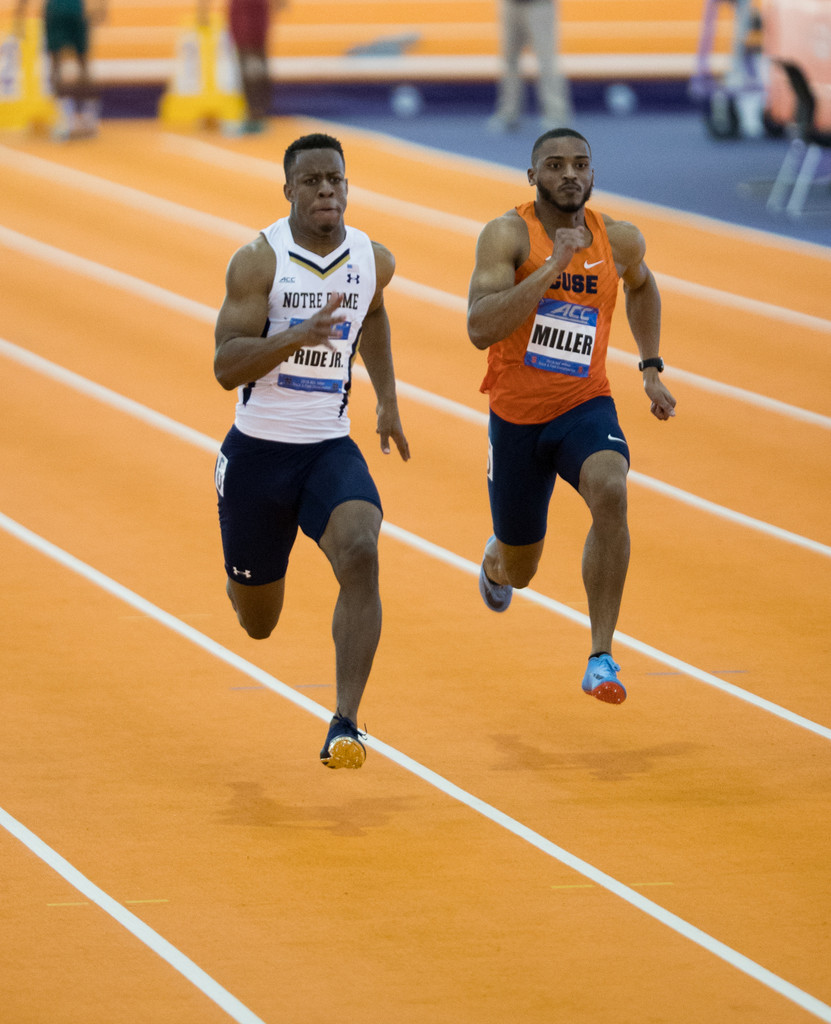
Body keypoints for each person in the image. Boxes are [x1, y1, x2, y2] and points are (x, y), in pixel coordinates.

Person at [213, 132, 410, 768]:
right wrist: (298, 335)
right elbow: (225, 365)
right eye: (313, 181)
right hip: (259, 455)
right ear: (290, 190)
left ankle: (345, 722)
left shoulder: (370, 258)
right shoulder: (258, 261)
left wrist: (386, 399)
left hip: (327, 444)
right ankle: (241, 581)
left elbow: (372, 313)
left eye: (337, 180)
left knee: (361, 546)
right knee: (258, 624)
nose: (327, 190)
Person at [467, 128, 676, 704]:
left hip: (585, 403)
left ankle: (601, 655)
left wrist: (651, 366)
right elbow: (480, 326)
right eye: (554, 165)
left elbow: (641, 284)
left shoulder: (620, 238)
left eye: (581, 164)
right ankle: (497, 561)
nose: (570, 174)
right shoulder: (507, 235)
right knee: (522, 568)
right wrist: (549, 268)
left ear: (592, 173)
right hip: (516, 416)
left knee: (611, 487)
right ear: (532, 176)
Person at [14, 0, 107, 140]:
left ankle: (64, 119)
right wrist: (101, 9)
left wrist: (19, 18)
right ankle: (89, 117)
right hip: (76, 9)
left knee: (56, 64)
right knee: (84, 64)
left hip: (55, 10)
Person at [198, 0, 287, 134]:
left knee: (256, 61)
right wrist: (203, 9)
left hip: (257, 10)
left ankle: (257, 111)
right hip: (243, 11)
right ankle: (254, 111)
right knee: (247, 60)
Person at [488, 0, 572, 133]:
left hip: (539, 5)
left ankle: (556, 114)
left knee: (546, 60)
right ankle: (509, 113)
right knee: (509, 60)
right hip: (511, 5)